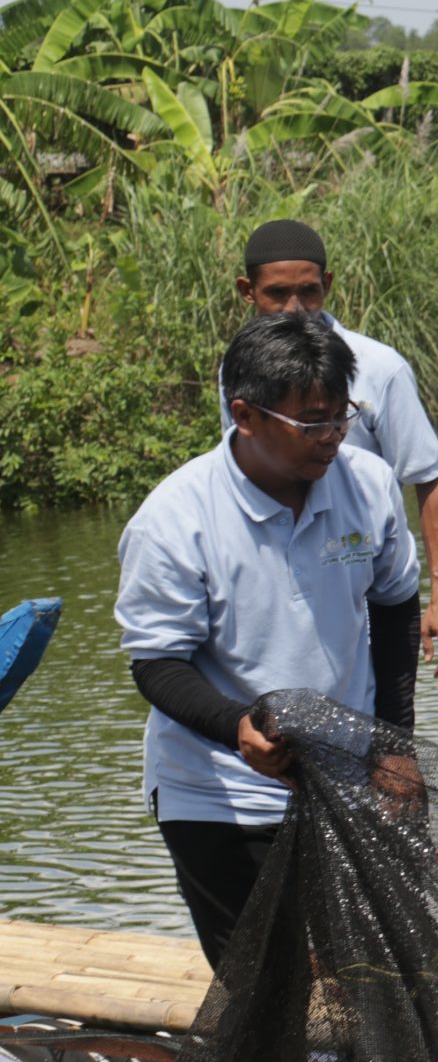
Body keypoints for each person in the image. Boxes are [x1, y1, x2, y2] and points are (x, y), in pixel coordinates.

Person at [117, 312, 421, 967]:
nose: (332, 438)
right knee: (265, 993)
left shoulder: (367, 485)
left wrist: (395, 744)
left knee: (377, 977)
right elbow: (157, 662)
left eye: (341, 416)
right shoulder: (176, 519)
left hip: (348, 781)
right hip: (220, 795)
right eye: (312, 422)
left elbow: (396, 608)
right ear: (244, 415)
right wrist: (236, 728)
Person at [232, 218, 438, 677]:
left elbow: (426, 476)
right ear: (247, 291)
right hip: (283, 599)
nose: (295, 309)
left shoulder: (379, 368)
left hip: (365, 577)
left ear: (328, 285)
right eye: (277, 294)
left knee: (381, 718)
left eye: (309, 292)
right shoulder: (239, 370)